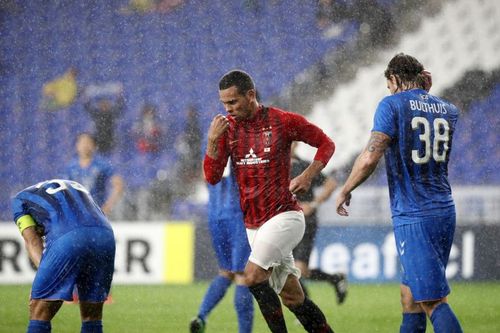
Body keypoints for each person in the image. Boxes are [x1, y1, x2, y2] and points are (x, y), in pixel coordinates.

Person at [335, 53, 463, 333]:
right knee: (410, 297)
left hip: (415, 214)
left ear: (393, 78)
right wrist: (424, 93)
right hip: (443, 208)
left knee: (432, 301)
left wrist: (346, 188)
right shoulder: (447, 108)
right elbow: (423, 113)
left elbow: (370, 157)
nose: (389, 90)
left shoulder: (391, 105)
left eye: (389, 84)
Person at [204, 69, 335, 333]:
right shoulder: (227, 131)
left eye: (233, 102)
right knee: (293, 298)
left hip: (285, 216)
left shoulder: (282, 121)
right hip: (253, 225)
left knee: (251, 277)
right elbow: (213, 176)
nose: (228, 109)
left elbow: (326, 144)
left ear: (250, 95)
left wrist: (309, 175)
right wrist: (212, 142)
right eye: (224, 104)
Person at [12, 179, 115, 333]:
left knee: (39, 309)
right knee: (92, 314)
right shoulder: (75, 185)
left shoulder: (19, 201)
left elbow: (32, 241)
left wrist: (48, 276)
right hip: (105, 235)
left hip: (68, 237)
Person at [190, 162, 253, 333]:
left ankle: (200, 316)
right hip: (237, 214)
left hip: (215, 214)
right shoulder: (242, 142)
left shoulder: (212, 143)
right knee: (242, 275)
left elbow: (206, 176)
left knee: (226, 271)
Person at [290, 142, 347, 305]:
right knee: (293, 270)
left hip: (305, 222)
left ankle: (307, 312)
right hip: (283, 222)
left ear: (296, 144)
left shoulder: (304, 166)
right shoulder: (274, 165)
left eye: (291, 141)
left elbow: (331, 184)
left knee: (297, 271)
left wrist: (313, 204)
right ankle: (335, 278)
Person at [64, 132, 124, 217]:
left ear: (94, 146)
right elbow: (64, 191)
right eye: (82, 142)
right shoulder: (71, 167)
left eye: (88, 142)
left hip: (97, 212)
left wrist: (107, 207)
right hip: (78, 214)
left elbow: (118, 185)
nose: (85, 146)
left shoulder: (102, 164)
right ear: (77, 146)